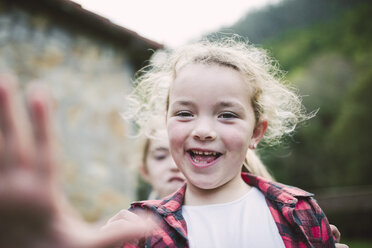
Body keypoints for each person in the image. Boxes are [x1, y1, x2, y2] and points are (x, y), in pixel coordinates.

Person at [121, 37, 346, 247]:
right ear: (166, 122)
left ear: (256, 132)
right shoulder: (140, 231)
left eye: (226, 115)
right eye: (185, 113)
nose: (203, 131)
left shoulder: (300, 213)